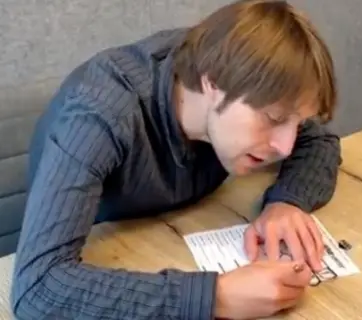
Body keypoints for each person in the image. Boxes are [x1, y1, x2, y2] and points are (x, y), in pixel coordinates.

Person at [10, 0, 341, 319]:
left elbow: (320, 140)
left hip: (178, 237)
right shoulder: (98, 114)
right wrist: (216, 297)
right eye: (272, 117)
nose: (285, 146)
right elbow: (38, 287)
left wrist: (287, 202)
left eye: (294, 123)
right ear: (212, 82)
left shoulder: (236, 68)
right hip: (104, 259)